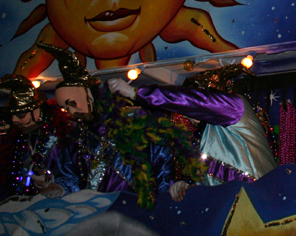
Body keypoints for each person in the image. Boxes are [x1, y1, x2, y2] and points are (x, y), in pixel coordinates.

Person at [37, 43, 202, 209]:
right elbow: (69, 175)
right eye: (65, 108)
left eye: (73, 103)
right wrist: (59, 188)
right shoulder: (75, 136)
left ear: (88, 95)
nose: (71, 111)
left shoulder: (134, 121)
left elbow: (161, 164)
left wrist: (167, 195)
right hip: (88, 215)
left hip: (132, 212)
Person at [108, 64, 276, 201]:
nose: (185, 114)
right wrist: (187, 187)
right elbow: (217, 180)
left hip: (261, 204)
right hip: (234, 212)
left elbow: (194, 102)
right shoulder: (204, 137)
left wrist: (136, 93)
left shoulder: (236, 109)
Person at [0, 74, 75, 201]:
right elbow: (0, 179)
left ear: (37, 111)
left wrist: (59, 188)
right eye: (12, 116)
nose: (14, 121)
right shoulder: (13, 141)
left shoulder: (62, 136)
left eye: (20, 115)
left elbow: (74, 176)